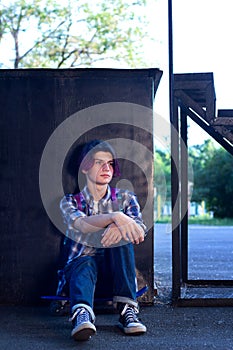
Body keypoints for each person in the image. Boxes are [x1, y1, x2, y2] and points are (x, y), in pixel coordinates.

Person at [59, 139, 147, 341]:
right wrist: (116, 217)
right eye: (99, 162)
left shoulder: (126, 198)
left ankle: (127, 311)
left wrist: (119, 224)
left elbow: (139, 232)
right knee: (85, 260)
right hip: (81, 276)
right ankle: (82, 315)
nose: (106, 168)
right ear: (84, 168)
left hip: (116, 278)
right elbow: (81, 224)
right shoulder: (70, 201)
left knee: (123, 235)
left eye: (110, 163)